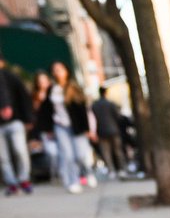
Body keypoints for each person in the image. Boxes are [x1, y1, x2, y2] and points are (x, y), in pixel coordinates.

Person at [38, 61, 96, 193]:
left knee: (80, 155)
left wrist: (87, 129)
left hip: (77, 127)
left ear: (66, 71)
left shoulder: (74, 87)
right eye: (55, 70)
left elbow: (82, 110)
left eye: (60, 69)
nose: (57, 72)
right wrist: (48, 129)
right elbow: (46, 111)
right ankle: (73, 181)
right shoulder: (51, 90)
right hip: (60, 126)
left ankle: (88, 172)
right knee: (67, 155)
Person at [0, 56, 34, 196]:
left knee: (20, 150)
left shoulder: (12, 77)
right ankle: (11, 183)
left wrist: (28, 118)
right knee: (2, 157)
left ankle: (23, 179)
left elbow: (24, 98)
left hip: (15, 121)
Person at [92, 85, 126, 177]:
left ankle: (111, 171)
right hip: (113, 130)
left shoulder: (95, 105)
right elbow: (118, 116)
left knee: (106, 153)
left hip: (101, 131)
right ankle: (121, 169)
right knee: (117, 151)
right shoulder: (111, 104)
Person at [31, 70, 58, 180]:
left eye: (44, 81)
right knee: (52, 153)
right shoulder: (35, 97)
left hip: (59, 126)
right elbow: (35, 117)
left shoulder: (55, 92)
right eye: (40, 81)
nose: (43, 83)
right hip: (45, 130)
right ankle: (55, 174)